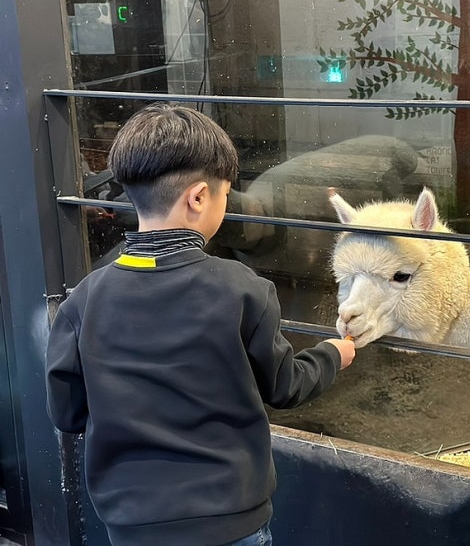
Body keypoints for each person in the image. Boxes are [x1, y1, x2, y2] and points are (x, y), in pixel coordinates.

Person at [45, 103, 356, 546]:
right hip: (231, 520)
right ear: (198, 197)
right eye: (226, 193)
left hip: (133, 524)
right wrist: (333, 354)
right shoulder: (242, 289)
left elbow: (67, 413)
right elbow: (286, 387)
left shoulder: (86, 299)